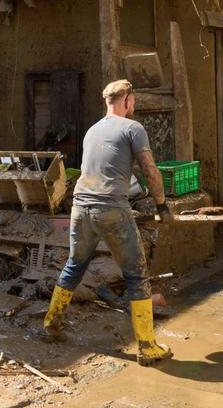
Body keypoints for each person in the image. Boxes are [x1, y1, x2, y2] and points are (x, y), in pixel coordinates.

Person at [42, 79, 173, 366]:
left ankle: (52, 324)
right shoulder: (132, 128)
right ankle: (147, 346)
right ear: (127, 100)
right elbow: (150, 171)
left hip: (80, 208)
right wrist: (162, 205)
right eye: (133, 102)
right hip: (111, 209)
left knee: (75, 265)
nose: (133, 106)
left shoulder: (93, 130)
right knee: (137, 274)